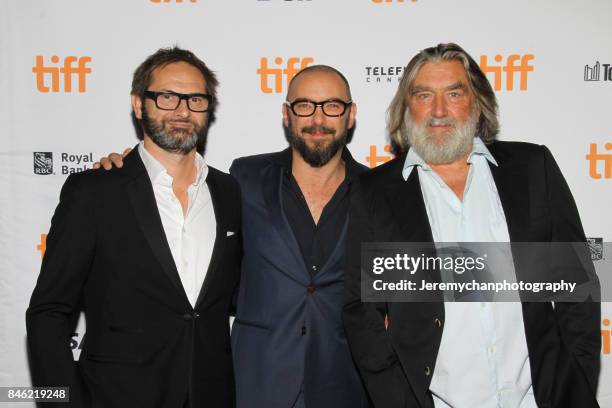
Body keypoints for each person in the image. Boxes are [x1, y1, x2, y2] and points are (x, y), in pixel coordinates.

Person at [342, 43, 601, 408]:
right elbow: (361, 312)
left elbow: (577, 287)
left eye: (454, 93)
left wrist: (577, 386)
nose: (438, 110)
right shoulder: (376, 192)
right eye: (423, 95)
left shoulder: (532, 168)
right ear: (406, 107)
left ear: (477, 102)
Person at [97, 65, 371, 408]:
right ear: (287, 114)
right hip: (253, 384)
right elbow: (173, 186)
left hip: (344, 387)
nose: (318, 118)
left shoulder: (378, 192)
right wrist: (127, 166)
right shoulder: (243, 179)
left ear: (351, 114)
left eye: (332, 106)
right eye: (304, 105)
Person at [26, 47, 241, 408]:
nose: (182, 110)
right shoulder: (95, 192)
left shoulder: (229, 191)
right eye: (167, 97)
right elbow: (48, 313)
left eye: (196, 99)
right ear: (139, 104)